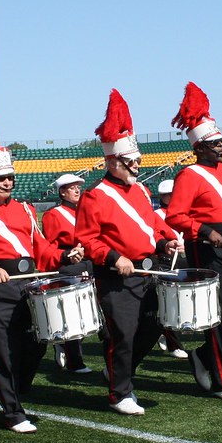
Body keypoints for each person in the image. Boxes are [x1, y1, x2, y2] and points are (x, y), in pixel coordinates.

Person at [0, 107, 83, 433]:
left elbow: (40, 248)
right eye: (0, 179)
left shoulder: (25, 209)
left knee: (38, 341)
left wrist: (66, 257)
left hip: (29, 283)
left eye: (11, 177)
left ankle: (15, 390)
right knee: (4, 350)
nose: (8, 182)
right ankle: (12, 412)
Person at [75, 89, 183, 415]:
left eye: (137, 160)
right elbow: (87, 239)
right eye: (130, 161)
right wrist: (113, 257)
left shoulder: (141, 190)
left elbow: (150, 225)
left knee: (152, 326)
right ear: (112, 161)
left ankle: (118, 372)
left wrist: (166, 242)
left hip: (148, 270)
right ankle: (120, 393)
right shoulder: (95, 195)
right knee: (122, 333)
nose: (137, 165)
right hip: (116, 276)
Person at [165, 82, 222, 401]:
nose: (221, 146)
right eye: (214, 143)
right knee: (215, 315)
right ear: (199, 147)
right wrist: (202, 230)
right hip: (207, 249)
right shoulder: (189, 175)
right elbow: (175, 216)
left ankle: (202, 355)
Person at [41, 173, 93, 374]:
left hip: (89, 263)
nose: (77, 190)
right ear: (62, 192)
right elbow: (53, 244)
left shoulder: (85, 211)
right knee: (72, 315)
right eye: (72, 188)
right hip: (69, 266)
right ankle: (73, 359)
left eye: (78, 187)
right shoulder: (54, 214)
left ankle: (64, 346)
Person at [152, 179, 188, 360]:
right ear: (162, 197)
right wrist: (168, 244)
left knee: (182, 303)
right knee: (170, 303)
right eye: (169, 195)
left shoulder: (185, 213)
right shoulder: (157, 214)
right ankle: (174, 344)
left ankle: (162, 331)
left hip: (185, 260)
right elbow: (156, 236)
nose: (173, 197)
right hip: (167, 262)